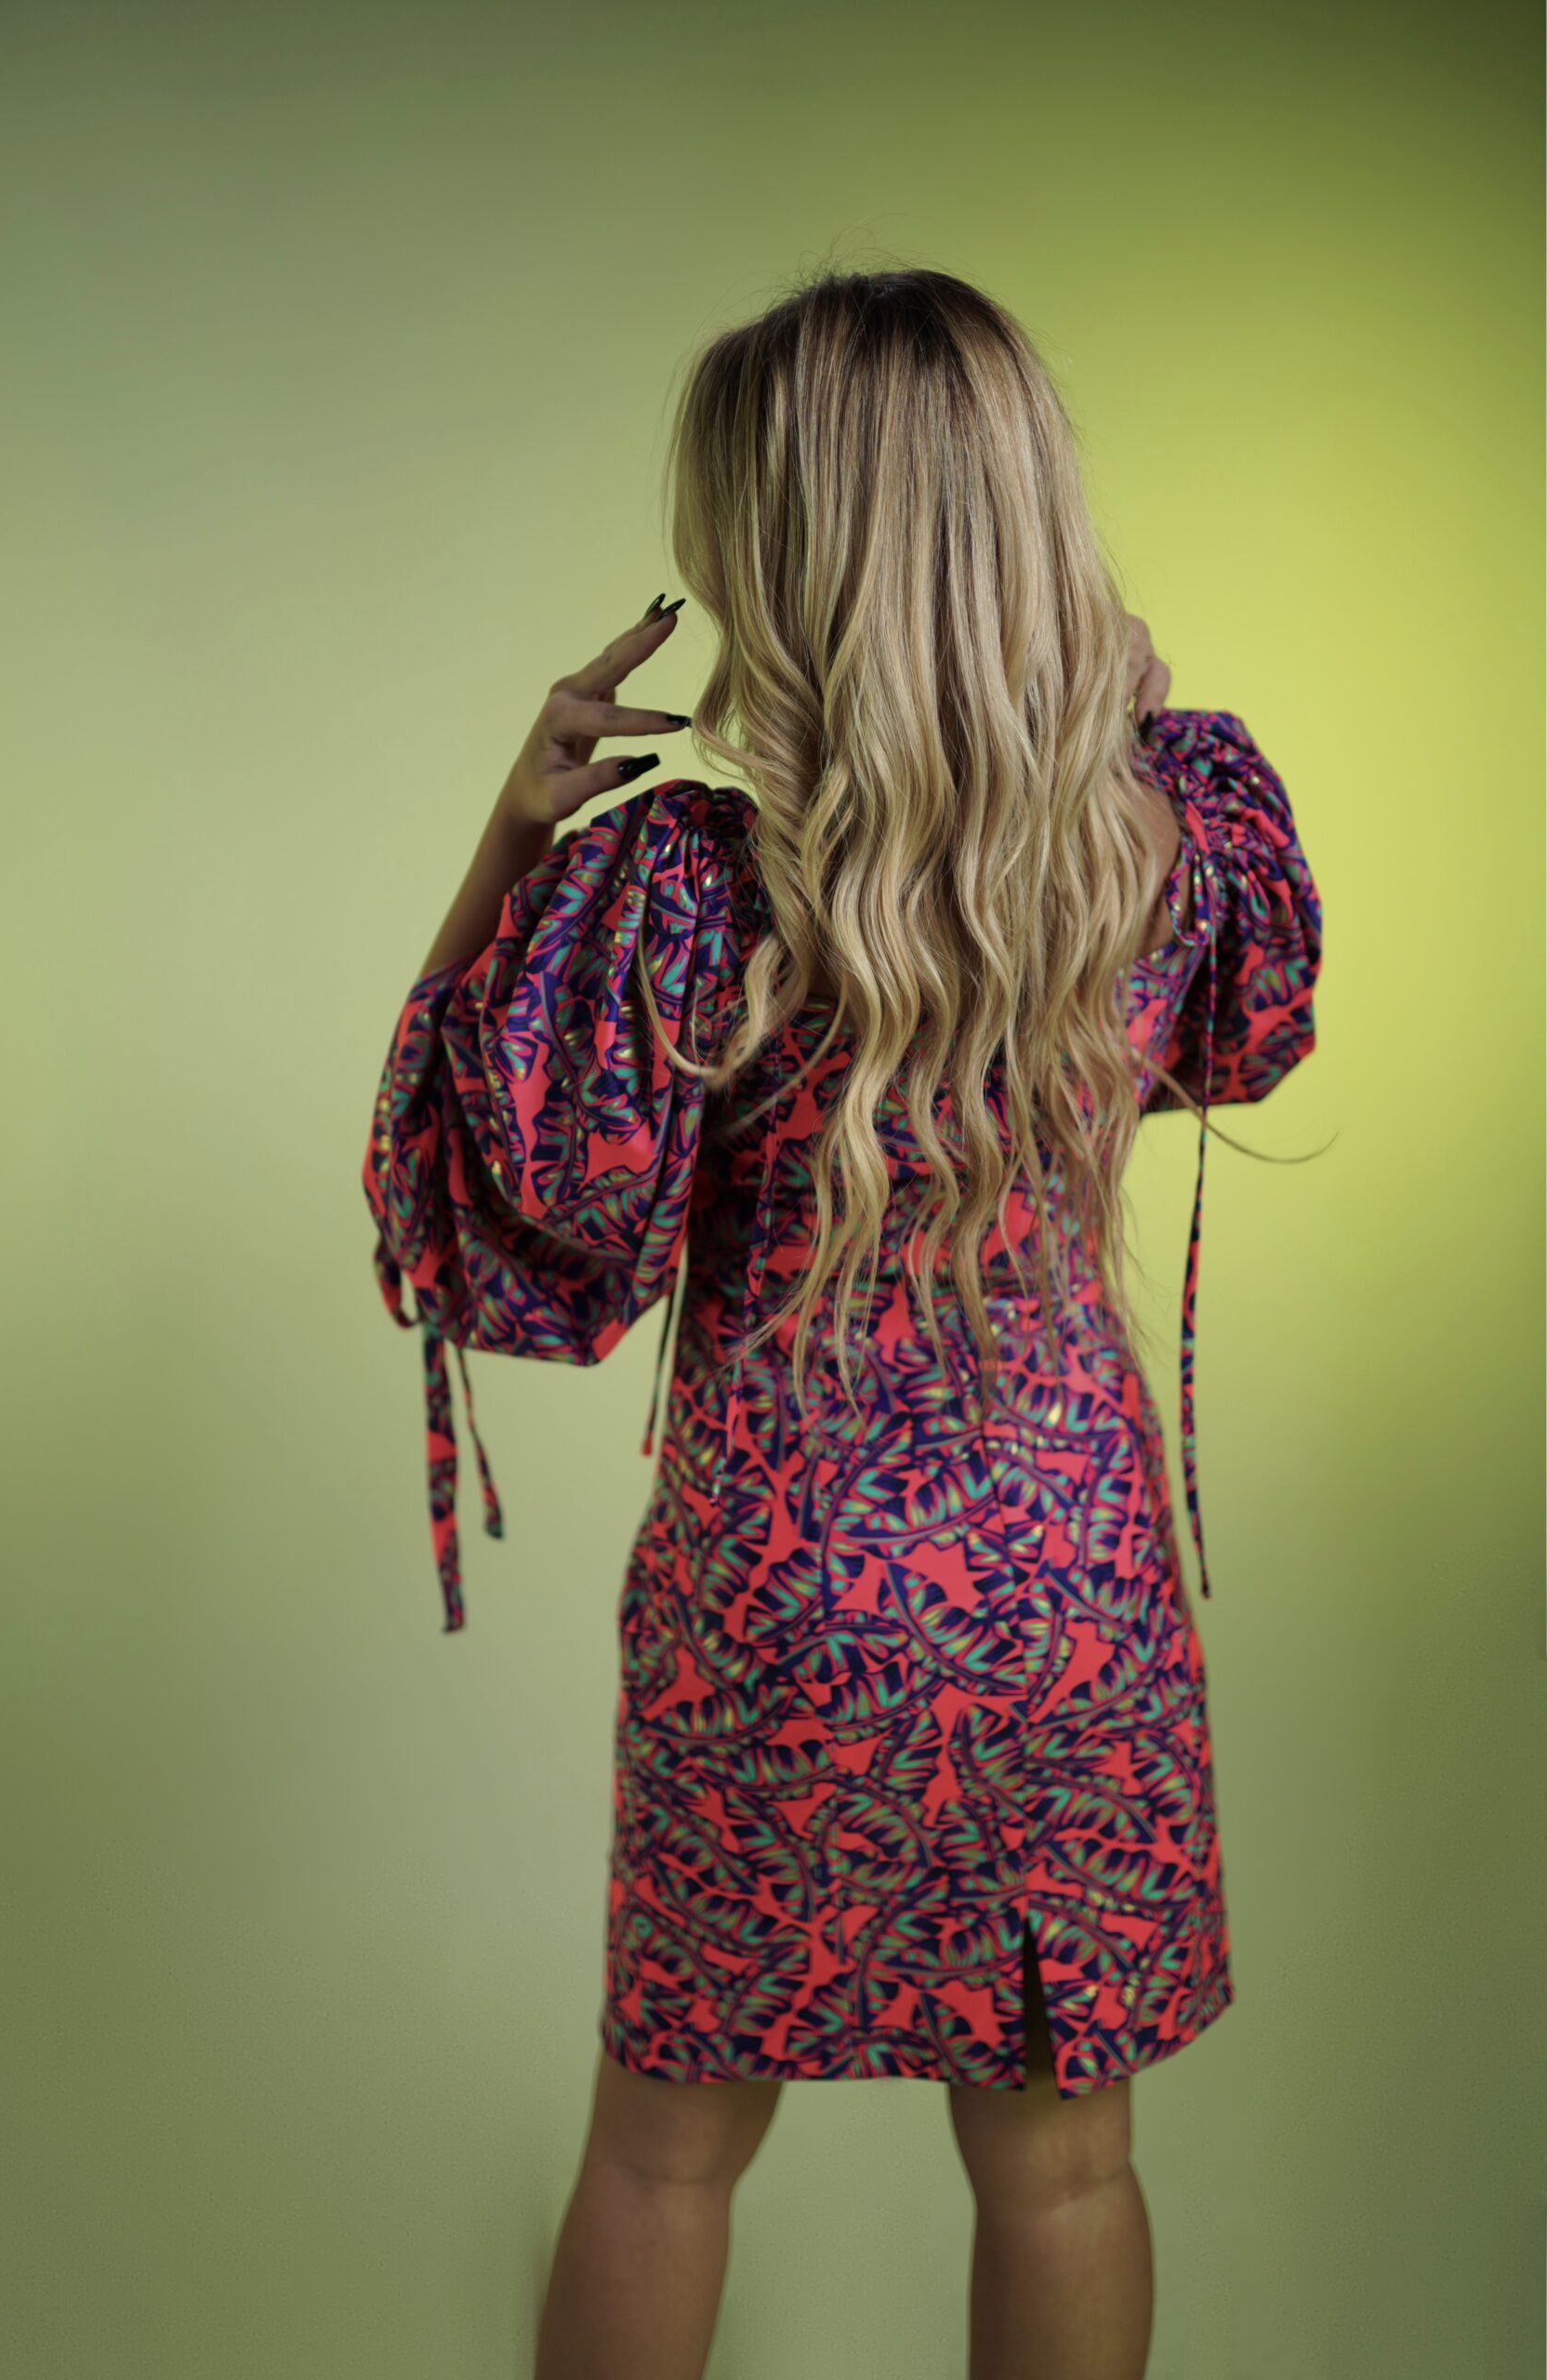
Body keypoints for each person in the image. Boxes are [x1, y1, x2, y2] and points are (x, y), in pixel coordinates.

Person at [362, 267, 1324, 2380]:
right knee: (1063, 2174)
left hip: (774, 1599)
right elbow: (1253, 1039)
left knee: (660, 2165)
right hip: (1065, 1590)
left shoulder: (683, 886)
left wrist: (511, 839)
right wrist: (1114, 727)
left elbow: (487, 1210)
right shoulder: (1167, 832)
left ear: (780, 557)